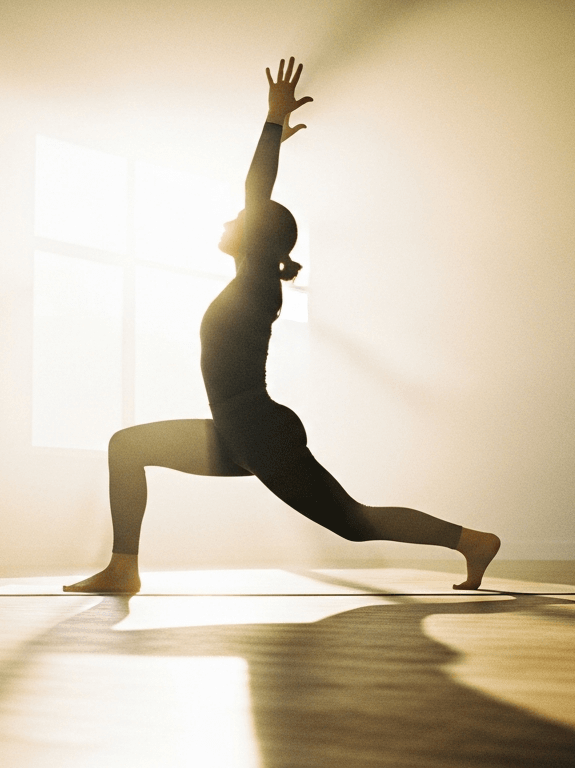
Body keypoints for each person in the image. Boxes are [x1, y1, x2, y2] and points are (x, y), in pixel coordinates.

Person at [65, 58, 500, 594]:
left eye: (239, 217)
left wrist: (272, 122)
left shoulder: (256, 284)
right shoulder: (247, 285)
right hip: (236, 431)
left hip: (257, 429)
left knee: (355, 524)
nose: (227, 220)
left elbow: (256, 188)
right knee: (127, 446)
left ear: (258, 234)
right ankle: (124, 568)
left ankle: (471, 541)